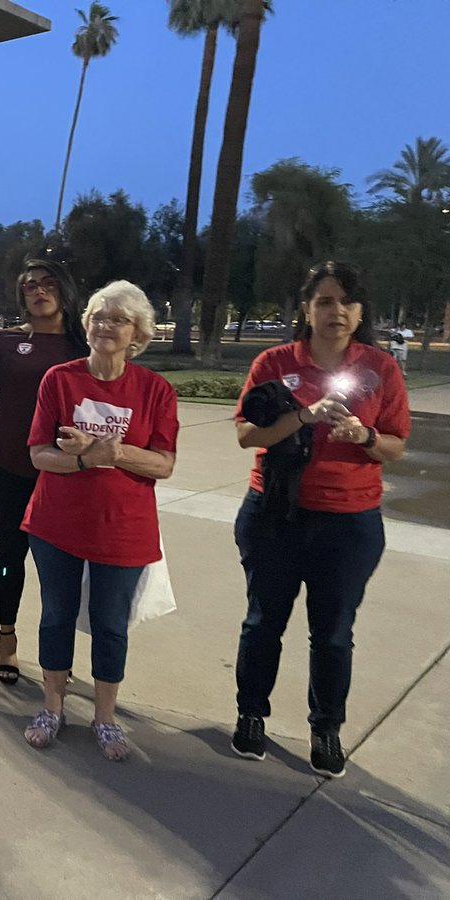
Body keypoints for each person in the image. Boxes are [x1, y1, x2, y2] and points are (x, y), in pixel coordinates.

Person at [230, 261, 410, 778]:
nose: (337, 311)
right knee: (263, 622)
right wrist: (304, 416)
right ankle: (251, 715)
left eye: (347, 302)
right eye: (325, 301)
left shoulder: (380, 368)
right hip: (275, 516)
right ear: (307, 309)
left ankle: (326, 728)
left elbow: (396, 445)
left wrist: (365, 437)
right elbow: (247, 435)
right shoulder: (273, 362)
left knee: (332, 633)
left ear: (361, 312)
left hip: (349, 523)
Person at [22, 281, 178, 761]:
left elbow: (164, 464)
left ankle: (105, 717)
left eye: (119, 319)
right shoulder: (59, 380)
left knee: (111, 624)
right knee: (57, 615)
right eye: (98, 317)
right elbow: (39, 454)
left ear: (138, 334)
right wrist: (87, 460)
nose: (106, 326)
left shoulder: (155, 390)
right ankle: (52, 707)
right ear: (86, 324)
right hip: (56, 524)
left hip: (123, 527)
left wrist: (114, 452)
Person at [0, 259, 87, 684]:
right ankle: (7, 637)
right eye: (30, 286)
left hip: (64, 473)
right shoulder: (7, 342)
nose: (39, 291)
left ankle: (58, 651)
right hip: (11, 467)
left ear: (64, 290)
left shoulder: (82, 346)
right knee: (11, 557)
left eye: (48, 283)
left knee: (60, 568)